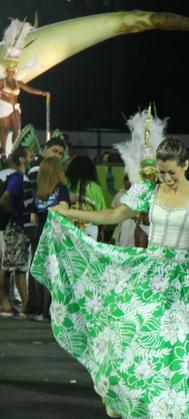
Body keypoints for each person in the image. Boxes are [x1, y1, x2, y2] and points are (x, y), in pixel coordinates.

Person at [32, 138, 189, 419]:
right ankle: (137, 403)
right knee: (134, 336)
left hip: (187, 282)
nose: (167, 178)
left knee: (186, 349)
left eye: (172, 172)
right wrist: (71, 214)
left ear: (185, 166)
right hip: (151, 274)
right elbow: (114, 215)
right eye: (162, 173)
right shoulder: (147, 192)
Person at [27, 157, 70, 320]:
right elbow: (64, 209)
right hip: (56, 236)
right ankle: (54, 308)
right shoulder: (62, 189)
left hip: (40, 237)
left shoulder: (38, 192)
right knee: (56, 274)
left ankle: (43, 308)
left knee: (43, 272)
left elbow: (33, 219)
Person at [0, 20, 50, 155]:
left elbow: (29, 89)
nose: (12, 71)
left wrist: (42, 92)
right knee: (4, 128)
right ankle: (3, 151)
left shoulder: (17, 82)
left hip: (15, 106)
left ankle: (15, 152)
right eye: (9, 69)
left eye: (13, 69)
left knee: (17, 129)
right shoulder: (2, 81)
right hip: (4, 105)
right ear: (6, 69)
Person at [0, 146, 32, 316]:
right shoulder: (17, 178)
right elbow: (5, 198)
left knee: (17, 266)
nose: (33, 157)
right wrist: (16, 213)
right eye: (30, 155)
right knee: (9, 266)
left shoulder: (22, 177)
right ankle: (7, 303)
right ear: (21, 160)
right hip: (16, 227)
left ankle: (19, 304)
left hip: (17, 226)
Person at [65, 155, 106, 240]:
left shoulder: (64, 183)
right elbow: (102, 213)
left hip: (67, 226)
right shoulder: (95, 188)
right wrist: (101, 231)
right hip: (90, 229)